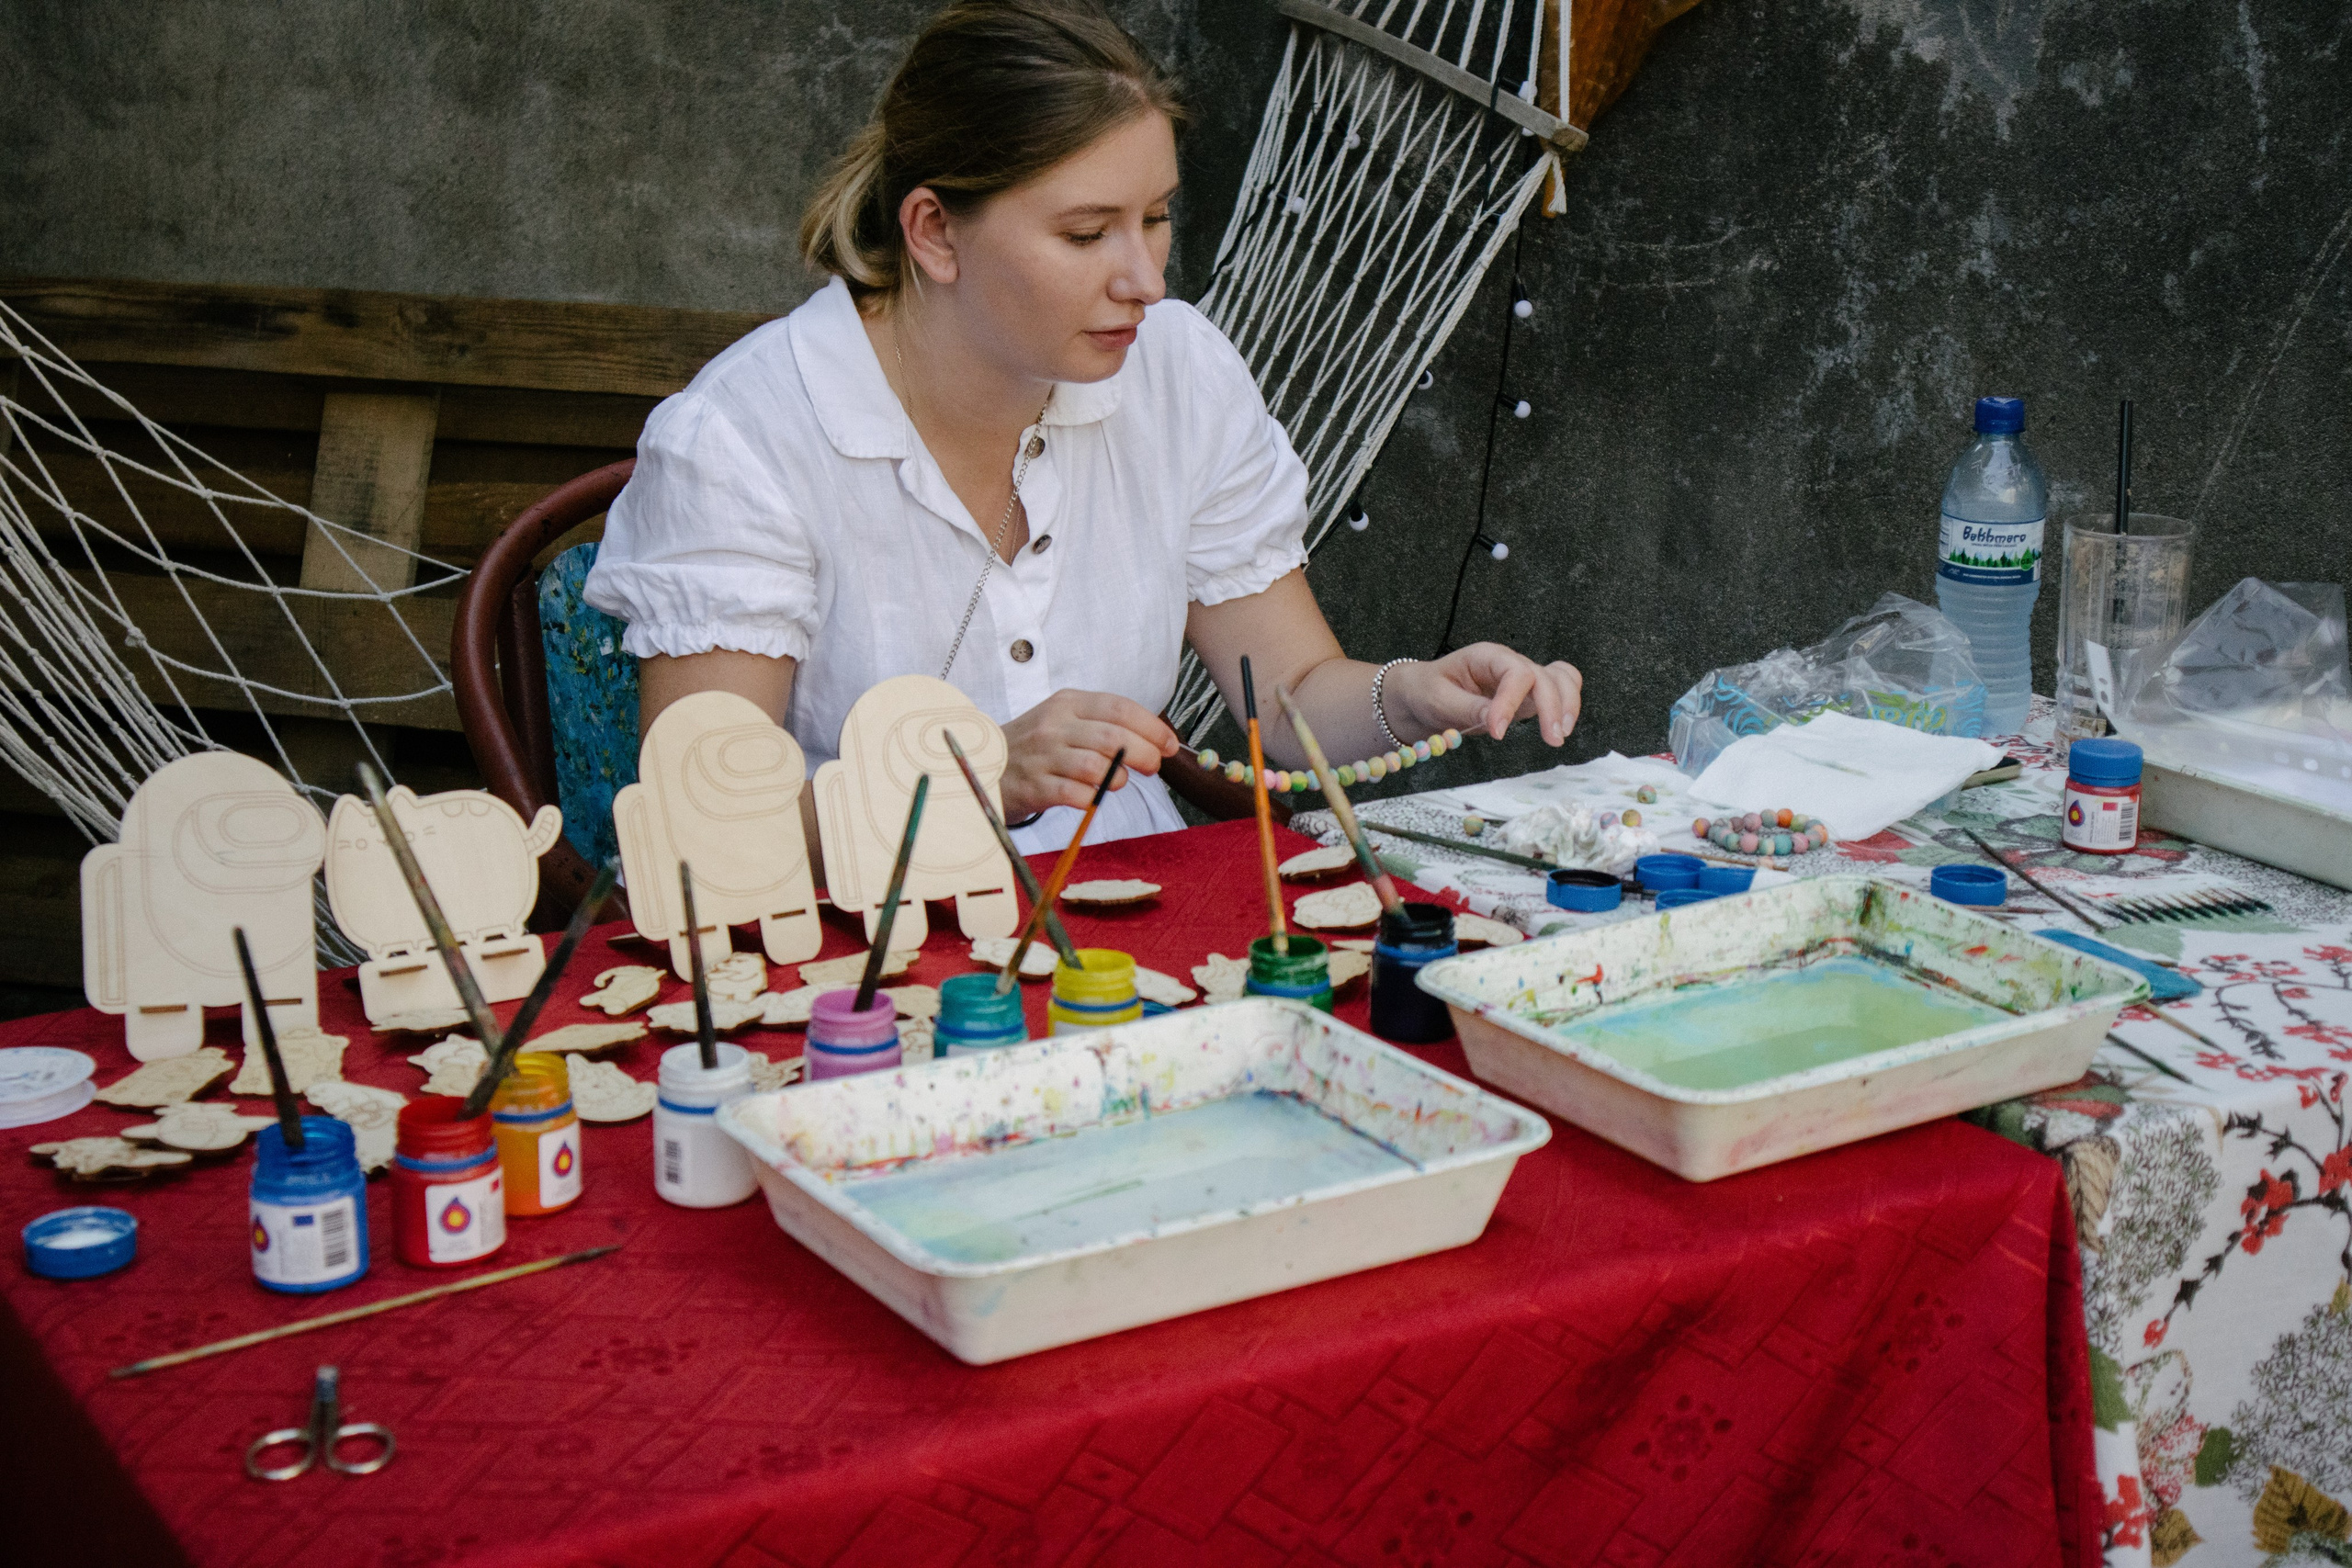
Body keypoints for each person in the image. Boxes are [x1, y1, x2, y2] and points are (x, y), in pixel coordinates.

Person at [585, 0, 1581, 854]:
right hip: (849, 955)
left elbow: (1286, 696)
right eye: (1083, 232)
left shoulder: (1176, 373)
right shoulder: (744, 440)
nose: (1144, 280)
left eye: (1155, 218)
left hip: (1129, 910)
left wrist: (1411, 696)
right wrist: (978, 776)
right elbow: (708, 831)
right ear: (934, 231)